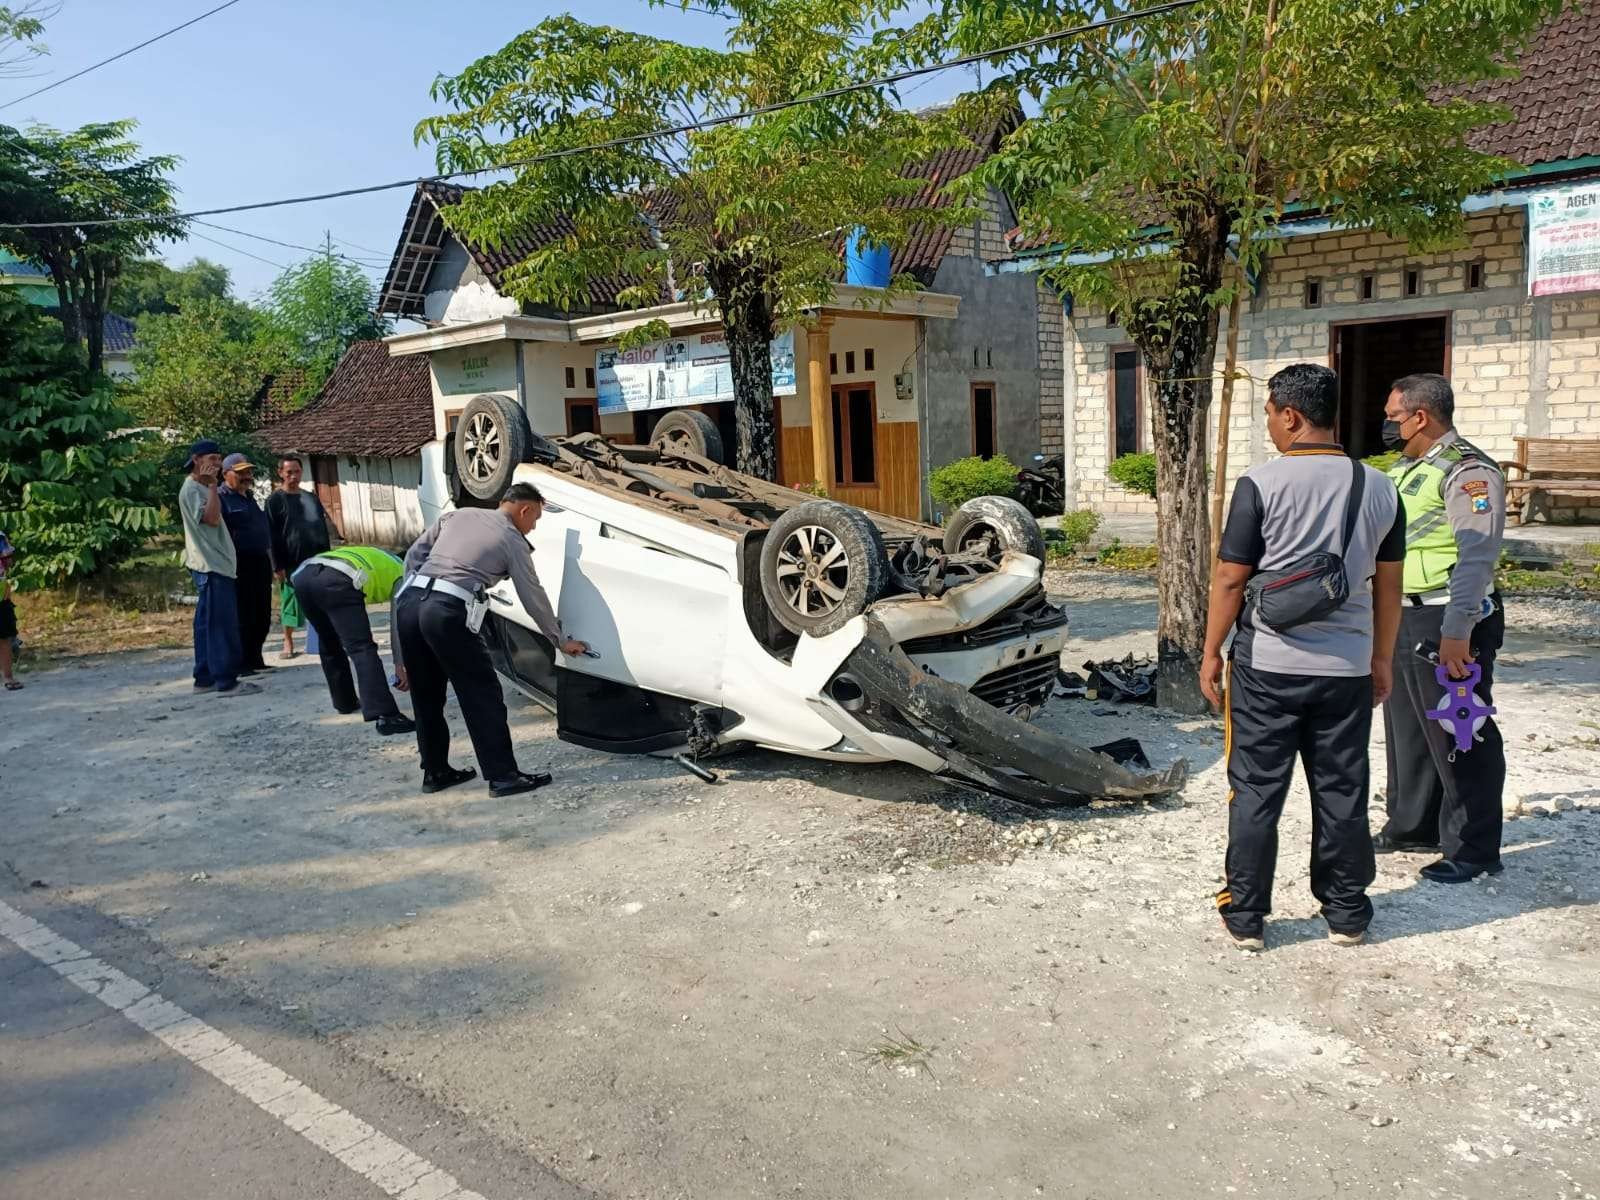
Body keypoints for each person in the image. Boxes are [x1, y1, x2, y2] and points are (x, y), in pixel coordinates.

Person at [1200, 364, 1404, 951]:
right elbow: (1388, 587)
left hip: (1268, 666)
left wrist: (1211, 651)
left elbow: (1231, 580)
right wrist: (1381, 659)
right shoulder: (1381, 487)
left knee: (1257, 788)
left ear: (1290, 415)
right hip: (1346, 670)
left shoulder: (1259, 485)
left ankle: (1246, 917)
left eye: (1268, 412)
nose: (1268, 424)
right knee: (1342, 789)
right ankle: (1346, 913)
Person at [1376, 373, 1508, 884]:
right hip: (1408, 613)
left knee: (1461, 727)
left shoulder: (1469, 472)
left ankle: (1473, 848)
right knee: (1407, 727)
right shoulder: (1410, 469)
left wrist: (1459, 630)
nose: (1388, 424)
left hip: (1450, 618)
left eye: (1393, 416)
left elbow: (1476, 555)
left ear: (1420, 417)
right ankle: (1412, 826)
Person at [396, 483, 588, 797]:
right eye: (535, 519)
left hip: (411, 601)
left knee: (426, 696)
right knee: (480, 694)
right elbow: (532, 594)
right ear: (524, 509)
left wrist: (400, 654)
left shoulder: (456, 516)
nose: (534, 526)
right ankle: (503, 777)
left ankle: (436, 772)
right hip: (446, 611)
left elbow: (413, 558)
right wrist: (559, 639)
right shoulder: (512, 539)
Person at [291, 544, 416, 735]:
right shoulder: (404, 572)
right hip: (338, 579)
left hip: (302, 577)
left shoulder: (379, 556)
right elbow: (397, 625)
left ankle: (344, 702)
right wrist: (401, 665)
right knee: (361, 647)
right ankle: (386, 715)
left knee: (328, 643)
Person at [179, 440, 260, 697]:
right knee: (221, 626)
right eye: (212, 458)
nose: (216, 463)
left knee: (206, 625)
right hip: (210, 565)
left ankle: (204, 679)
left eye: (218, 458)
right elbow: (212, 519)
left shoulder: (200, 487)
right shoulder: (193, 489)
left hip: (218, 564)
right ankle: (226, 681)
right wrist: (214, 486)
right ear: (196, 460)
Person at [265, 455, 337, 659]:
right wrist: (276, 565)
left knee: (319, 599)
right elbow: (271, 534)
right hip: (289, 560)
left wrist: (328, 557)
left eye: (297, 471)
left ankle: (323, 639)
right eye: (289, 472)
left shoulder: (309, 497)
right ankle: (287, 641)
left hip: (315, 557)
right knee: (290, 602)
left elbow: (321, 527)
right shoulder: (274, 501)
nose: (293, 476)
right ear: (280, 473)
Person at [218, 453, 273, 675]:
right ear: (225, 474)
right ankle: (242, 663)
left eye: (248, 472)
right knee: (244, 613)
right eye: (240, 473)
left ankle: (256, 658)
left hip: (260, 560)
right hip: (239, 563)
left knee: (263, 613)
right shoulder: (221, 498)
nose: (246, 477)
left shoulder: (249, 497)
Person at [0, 530, 20, 692]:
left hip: (1, 597)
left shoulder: (0, 537)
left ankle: (8, 676)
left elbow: (8, 562)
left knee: (5, 638)